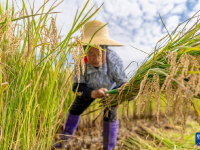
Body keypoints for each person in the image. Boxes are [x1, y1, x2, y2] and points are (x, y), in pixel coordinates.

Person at [55, 20, 127, 150]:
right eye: (91, 54)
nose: (96, 59)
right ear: (85, 51)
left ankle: (108, 148)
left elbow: (123, 83)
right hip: (88, 89)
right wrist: (93, 93)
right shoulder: (80, 61)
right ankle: (63, 142)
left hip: (110, 92)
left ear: (106, 50)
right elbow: (76, 86)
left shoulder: (114, 60)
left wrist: (120, 92)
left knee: (110, 115)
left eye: (100, 54)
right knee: (74, 109)